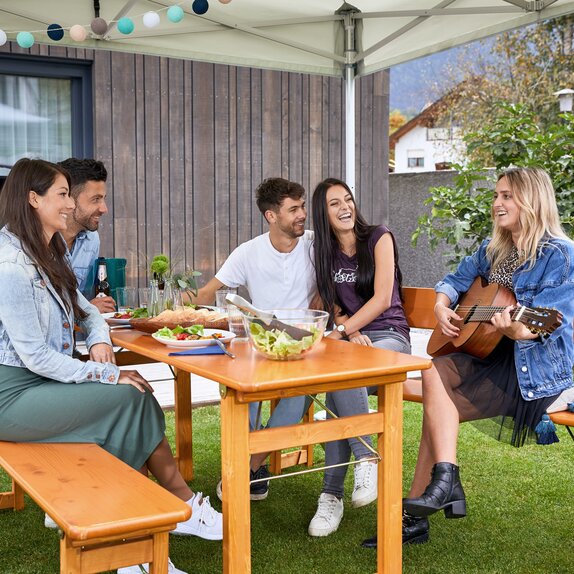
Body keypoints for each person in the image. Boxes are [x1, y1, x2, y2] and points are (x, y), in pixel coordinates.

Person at [0, 158, 222, 574]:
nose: (69, 205)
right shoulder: (11, 265)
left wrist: (101, 342)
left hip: (41, 383)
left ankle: (136, 536)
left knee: (135, 397)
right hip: (10, 395)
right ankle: (145, 527)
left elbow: (89, 313)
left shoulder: (48, 250)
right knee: (127, 396)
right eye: (63, 194)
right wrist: (107, 371)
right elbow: (33, 356)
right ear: (33, 199)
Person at [363, 166, 574, 549]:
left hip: (535, 373)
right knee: (434, 375)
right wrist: (443, 306)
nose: (496, 203)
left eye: (507, 195)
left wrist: (515, 329)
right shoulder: (495, 250)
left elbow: (547, 324)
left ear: (533, 199)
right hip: (489, 359)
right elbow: (454, 281)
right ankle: (445, 481)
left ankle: (420, 512)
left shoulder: (560, 255)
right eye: (496, 195)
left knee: (436, 399)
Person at [191, 177, 317, 500]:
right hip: (261, 346)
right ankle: (253, 469)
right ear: (271, 216)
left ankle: (248, 466)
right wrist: (181, 304)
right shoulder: (248, 253)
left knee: (300, 391)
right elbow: (207, 292)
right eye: (293, 209)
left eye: (302, 206)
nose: (302, 214)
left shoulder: (317, 245)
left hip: (305, 348)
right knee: (241, 388)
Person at [309, 177, 411, 537]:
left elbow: (383, 298)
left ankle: (334, 489)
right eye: (334, 203)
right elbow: (331, 306)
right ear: (324, 214)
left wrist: (345, 331)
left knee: (340, 376)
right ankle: (361, 459)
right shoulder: (324, 253)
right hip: (355, 341)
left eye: (348, 199)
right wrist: (349, 331)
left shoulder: (378, 237)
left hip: (390, 337)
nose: (345, 207)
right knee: (341, 378)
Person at [57, 158, 116, 314]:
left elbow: (79, 298)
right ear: (68, 197)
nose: (104, 209)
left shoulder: (91, 239)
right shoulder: (38, 238)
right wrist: (88, 308)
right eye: (96, 199)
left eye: (103, 199)